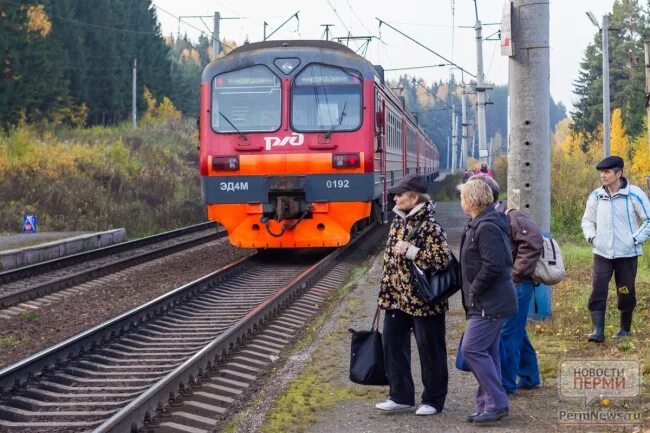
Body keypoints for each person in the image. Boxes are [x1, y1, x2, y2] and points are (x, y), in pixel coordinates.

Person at [376, 174, 452, 416]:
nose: (395, 197)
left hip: (424, 300)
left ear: (414, 197)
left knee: (430, 350)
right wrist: (385, 293)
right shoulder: (397, 222)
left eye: (399, 194)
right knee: (392, 345)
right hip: (397, 299)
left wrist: (411, 251)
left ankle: (433, 400)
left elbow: (442, 260)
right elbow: (390, 262)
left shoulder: (430, 226)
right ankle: (400, 395)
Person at [471, 174, 543, 394]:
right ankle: (530, 377)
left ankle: (506, 384)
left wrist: (514, 276)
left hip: (518, 285)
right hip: (511, 284)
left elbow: (533, 243)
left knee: (508, 334)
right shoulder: (493, 217)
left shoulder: (511, 217)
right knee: (516, 331)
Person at [457, 178, 517, 424]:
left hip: (490, 301)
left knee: (471, 349)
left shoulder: (487, 226)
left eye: (462, 198)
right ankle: (486, 405)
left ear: (471, 200)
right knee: (488, 352)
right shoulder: (479, 223)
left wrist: (475, 291)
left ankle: (498, 402)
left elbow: (495, 264)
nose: (461, 202)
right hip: (487, 301)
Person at [581, 155, 650, 342]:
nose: (603, 176)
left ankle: (625, 329)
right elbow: (587, 220)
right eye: (602, 172)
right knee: (598, 289)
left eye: (607, 172)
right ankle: (598, 331)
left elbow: (648, 220)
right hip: (602, 253)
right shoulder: (596, 195)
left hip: (627, 254)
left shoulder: (634, 194)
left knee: (625, 290)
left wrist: (635, 240)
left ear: (619, 173)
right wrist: (592, 237)